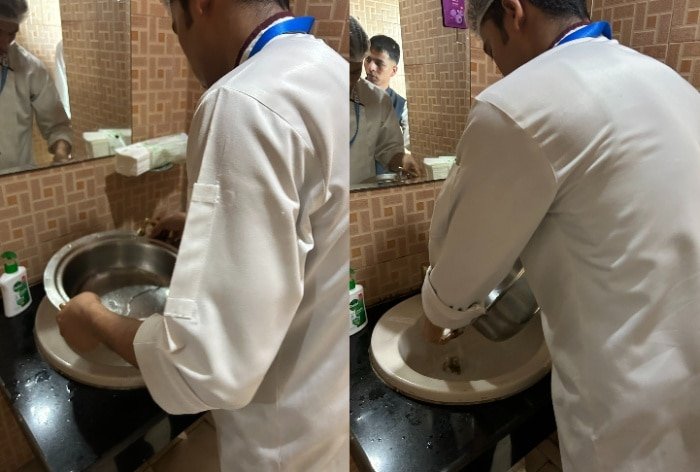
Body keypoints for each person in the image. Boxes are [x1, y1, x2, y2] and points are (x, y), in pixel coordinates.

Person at [56, 0, 348, 470]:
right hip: (320, 416)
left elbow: (206, 367)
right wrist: (205, 226)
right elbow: (304, 229)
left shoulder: (240, 100)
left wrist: (91, 316)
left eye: (176, 30)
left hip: (276, 444)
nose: (188, 58)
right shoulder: (324, 67)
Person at [421, 0, 700, 471]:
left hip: (624, 420)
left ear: (513, 11)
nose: (497, 69)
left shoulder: (519, 104)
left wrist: (435, 318)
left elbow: (452, 285)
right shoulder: (669, 81)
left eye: (490, 50)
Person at [0, 0, 72, 170]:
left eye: (11, 34)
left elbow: (58, 126)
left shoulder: (31, 69)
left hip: (19, 178)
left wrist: (61, 154)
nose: (4, 44)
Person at [349, 16, 419, 184]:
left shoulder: (378, 99)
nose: (371, 67)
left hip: (363, 193)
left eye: (353, 73)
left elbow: (388, 147)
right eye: (369, 61)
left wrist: (402, 160)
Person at [365, 35, 410, 152]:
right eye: (368, 60)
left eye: (379, 63)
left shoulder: (401, 105)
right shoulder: (350, 93)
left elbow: (410, 142)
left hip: (385, 170)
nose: (371, 67)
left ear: (393, 70)